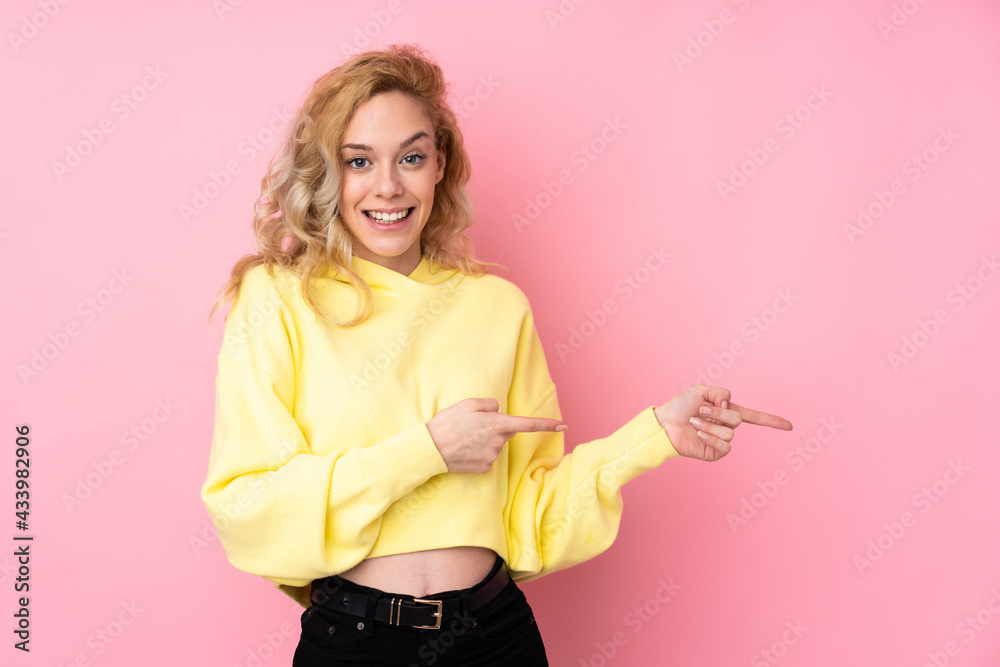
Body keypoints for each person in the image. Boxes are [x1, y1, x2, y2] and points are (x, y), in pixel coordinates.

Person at [200, 44, 793, 666]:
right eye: (358, 161)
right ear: (328, 172)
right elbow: (248, 507)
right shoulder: (277, 300)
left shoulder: (496, 308)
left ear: (439, 164)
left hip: (493, 636)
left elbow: (528, 522)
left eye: (410, 157)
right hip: (354, 640)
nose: (387, 186)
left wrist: (655, 436)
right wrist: (427, 450)